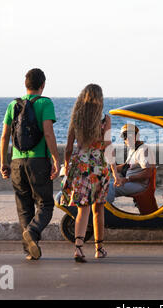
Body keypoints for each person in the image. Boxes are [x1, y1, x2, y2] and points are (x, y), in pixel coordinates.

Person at [0, 68, 60, 260]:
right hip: (38, 161)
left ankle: (29, 251)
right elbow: (48, 133)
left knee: (24, 207)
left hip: (16, 162)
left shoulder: (12, 105)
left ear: (26, 85)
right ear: (43, 85)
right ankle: (32, 232)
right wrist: (56, 159)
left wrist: (4, 162)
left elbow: (4, 136)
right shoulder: (45, 103)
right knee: (46, 204)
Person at [60, 84, 118, 263]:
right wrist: (115, 171)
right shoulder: (104, 120)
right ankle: (99, 249)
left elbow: (69, 148)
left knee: (82, 209)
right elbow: (108, 147)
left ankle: (78, 248)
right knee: (98, 208)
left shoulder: (76, 119)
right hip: (99, 167)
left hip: (80, 167)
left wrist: (66, 165)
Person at [106, 124, 156, 204]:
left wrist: (127, 179)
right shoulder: (133, 149)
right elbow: (127, 166)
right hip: (130, 181)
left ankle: (104, 210)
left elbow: (148, 173)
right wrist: (109, 168)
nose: (128, 138)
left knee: (110, 187)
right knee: (104, 183)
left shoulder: (143, 150)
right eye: (125, 136)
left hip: (139, 185)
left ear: (137, 135)